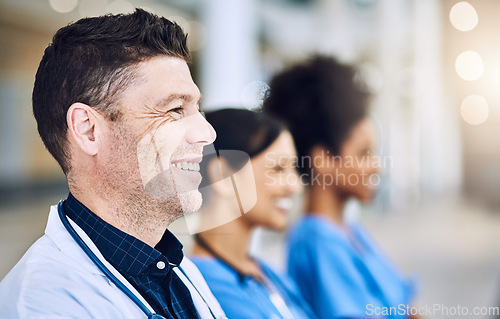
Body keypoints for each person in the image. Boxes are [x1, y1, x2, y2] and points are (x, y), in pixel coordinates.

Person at [0, 9, 226, 319]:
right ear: (88, 130)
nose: (206, 132)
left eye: (195, 108)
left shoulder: (172, 267)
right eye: (175, 109)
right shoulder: (43, 305)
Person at [263, 56, 415, 319]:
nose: (377, 167)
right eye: (364, 153)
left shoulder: (349, 230)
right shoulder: (316, 241)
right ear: (323, 160)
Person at [189, 108, 316, 319]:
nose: (296, 185)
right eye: (278, 169)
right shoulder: (207, 286)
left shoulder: (267, 273)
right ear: (224, 176)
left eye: (293, 168)